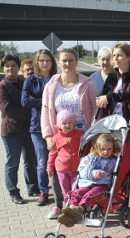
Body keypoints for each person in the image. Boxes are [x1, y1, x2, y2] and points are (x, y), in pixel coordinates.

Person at [41, 48, 97, 219]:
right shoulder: (51, 85)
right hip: (60, 135)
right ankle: (59, 205)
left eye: (71, 60)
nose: (67, 64)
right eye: (64, 60)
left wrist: (92, 133)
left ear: (76, 62)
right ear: (59, 62)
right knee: (60, 168)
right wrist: (48, 135)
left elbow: (94, 109)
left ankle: (79, 204)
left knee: (82, 170)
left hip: (82, 135)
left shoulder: (86, 84)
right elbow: (45, 110)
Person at [96, 43, 130, 209]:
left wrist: (111, 97)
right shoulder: (112, 77)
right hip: (112, 128)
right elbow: (103, 96)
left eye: (119, 55)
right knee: (112, 164)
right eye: (114, 56)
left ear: (129, 58)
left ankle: (129, 203)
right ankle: (113, 200)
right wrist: (102, 99)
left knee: (125, 164)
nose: (115, 59)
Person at [0, 54, 39, 204]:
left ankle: (33, 187)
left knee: (30, 161)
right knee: (13, 163)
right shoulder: (1, 87)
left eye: (13, 65)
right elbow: (7, 109)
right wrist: (30, 112)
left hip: (28, 129)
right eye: (7, 66)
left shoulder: (24, 82)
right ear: (3, 69)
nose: (10, 68)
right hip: (11, 131)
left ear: (18, 67)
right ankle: (13, 192)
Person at [57, 134, 119, 227]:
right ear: (97, 148)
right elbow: (83, 170)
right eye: (103, 149)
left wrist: (118, 155)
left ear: (112, 149)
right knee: (77, 192)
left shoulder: (113, 160)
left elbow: (118, 168)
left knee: (89, 195)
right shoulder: (90, 157)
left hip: (101, 185)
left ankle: (80, 209)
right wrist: (93, 174)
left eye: (109, 149)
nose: (106, 152)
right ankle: (71, 210)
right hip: (86, 183)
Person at [22, 49, 58, 207]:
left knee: (60, 159)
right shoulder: (31, 80)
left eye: (48, 60)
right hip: (37, 126)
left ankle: (62, 189)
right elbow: (24, 102)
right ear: (37, 62)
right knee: (42, 161)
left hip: (58, 125)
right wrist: (45, 102)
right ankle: (43, 191)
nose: (45, 63)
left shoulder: (58, 79)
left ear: (52, 62)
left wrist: (36, 99)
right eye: (42, 60)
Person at [47, 110, 83, 203]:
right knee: (65, 190)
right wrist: (50, 167)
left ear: (73, 123)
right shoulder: (56, 138)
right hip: (62, 170)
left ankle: (74, 206)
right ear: (59, 125)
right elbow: (52, 154)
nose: (67, 125)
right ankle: (66, 206)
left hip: (76, 169)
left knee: (75, 189)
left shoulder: (79, 135)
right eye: (64, 123)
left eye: (70, 122)